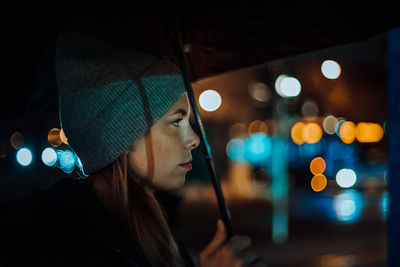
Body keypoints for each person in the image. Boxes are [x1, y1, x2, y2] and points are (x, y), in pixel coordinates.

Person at [0, 30, 263, 266]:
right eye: (176, 122)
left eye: (189, 122)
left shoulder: (157, 234)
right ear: (120, 137)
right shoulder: (66, 251)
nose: (194, 139)